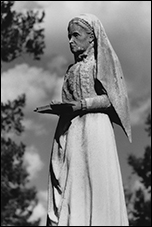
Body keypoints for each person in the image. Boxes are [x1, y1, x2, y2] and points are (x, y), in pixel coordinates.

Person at [44, 13, 131, 226]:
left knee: (96, 180)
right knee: (72, 181)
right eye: (68, 36)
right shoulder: (71, 70)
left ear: (92, 37)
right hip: (72, 129)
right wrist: (59, 109)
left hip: (96, 128)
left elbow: (113, 99)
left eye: (75, 35)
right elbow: (68, 99)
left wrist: (83, 105)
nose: (70, 41)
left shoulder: (99, 65)